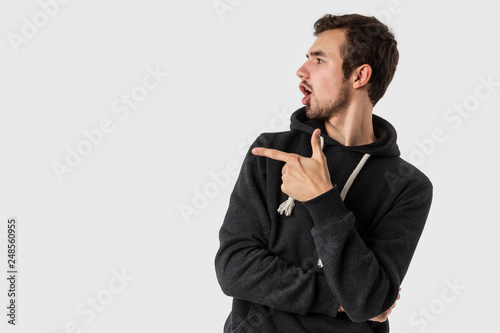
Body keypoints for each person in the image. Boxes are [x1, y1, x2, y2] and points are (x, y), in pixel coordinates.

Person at [215, 13, 433, 333]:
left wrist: (322, 199)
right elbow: (233, 269)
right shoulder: (271, 153)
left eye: (319, 60)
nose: (301, 71)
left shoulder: (407, 186)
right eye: (307, 58)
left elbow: (370, 300)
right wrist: (342, 301)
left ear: (359, 76)